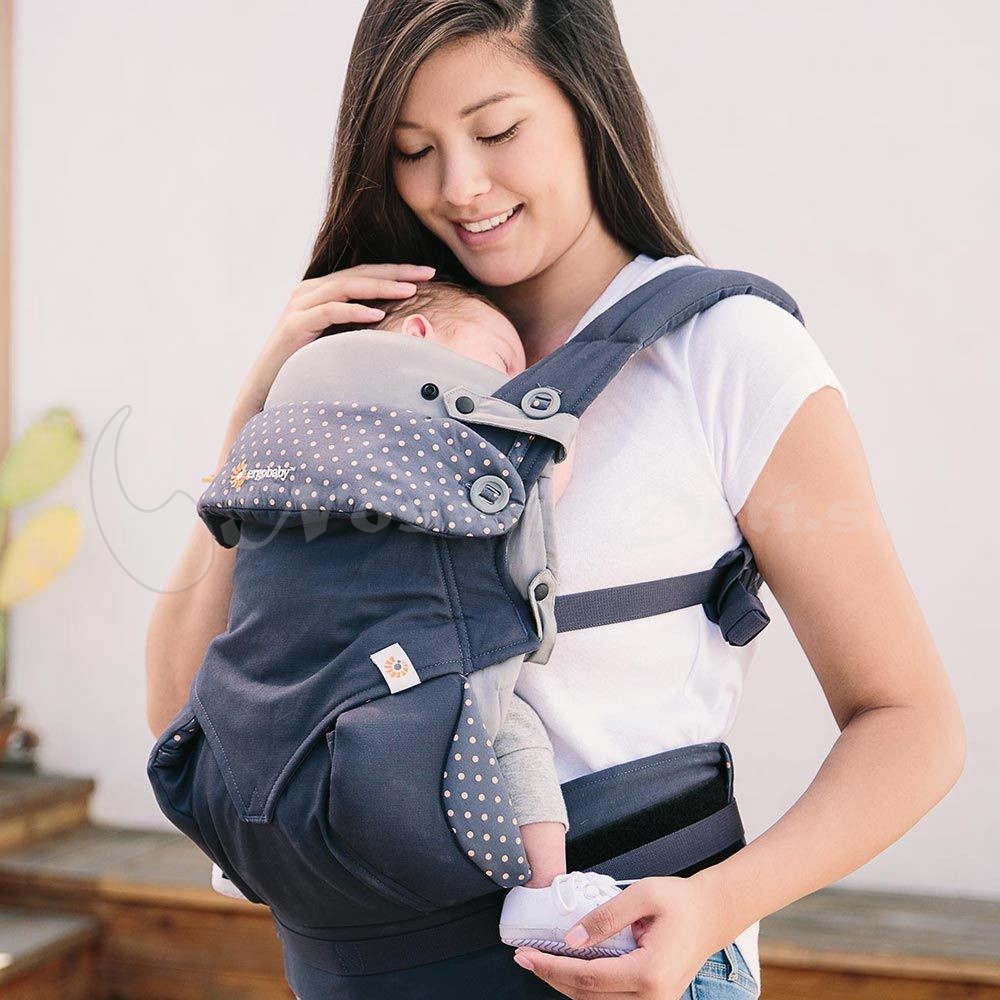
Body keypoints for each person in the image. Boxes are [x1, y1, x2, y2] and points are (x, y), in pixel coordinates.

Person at [147, 2, 966, 997]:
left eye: (497, 131)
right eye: (413, 150)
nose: (460, 187)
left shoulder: (722, 355)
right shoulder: (360, 370)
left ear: (588, 104)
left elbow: (912, 723)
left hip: (625, 962)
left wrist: (717, 903)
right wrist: (258, 404)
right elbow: (184, 716)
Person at [207, 275, 640, 956]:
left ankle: (258, 846)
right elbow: (532, 490)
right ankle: (542, 889)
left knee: (265, 715)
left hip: (293, 646)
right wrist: (559, 436)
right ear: (419, 340)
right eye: (502, 362)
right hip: (411, 663)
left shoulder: (291, 433)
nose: (514, 384)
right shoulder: (433, 434)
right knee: (515, 731)